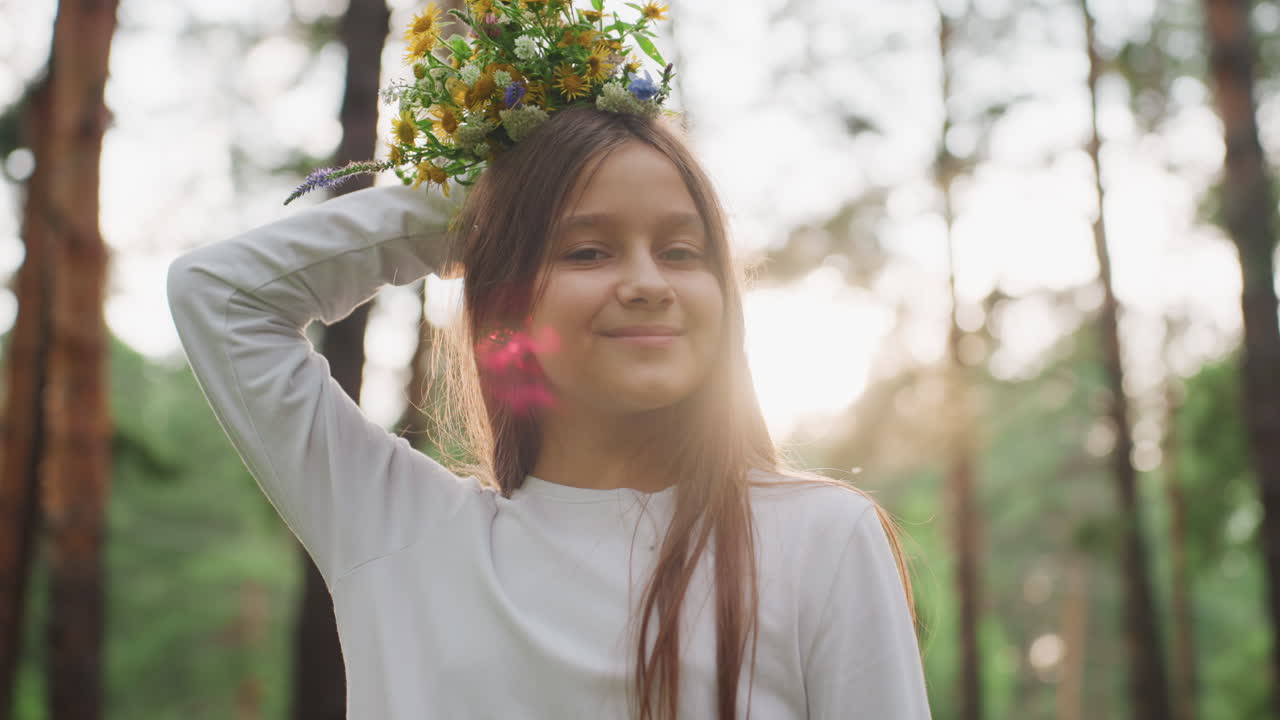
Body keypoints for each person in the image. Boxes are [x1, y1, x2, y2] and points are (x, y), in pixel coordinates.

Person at [167, 3, 932, 719]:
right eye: (587, 249)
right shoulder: (394, 529)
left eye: (680, 251)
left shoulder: (822, 540)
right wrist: (477, 208)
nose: (645, 284)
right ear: (509, 300)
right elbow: (220, 295)